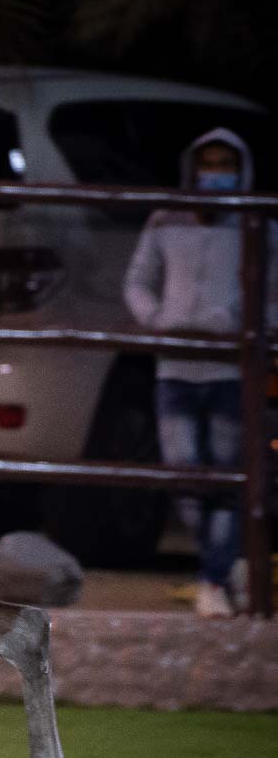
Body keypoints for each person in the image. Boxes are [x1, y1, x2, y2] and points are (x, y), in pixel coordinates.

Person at [123, 127, 278, 618]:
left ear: (242, 168)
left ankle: (213, 577)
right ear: (193, 168)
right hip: (174, 367)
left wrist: (244, 325)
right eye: (207, 163)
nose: (215, 173)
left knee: (229, 475)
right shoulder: (166, 218)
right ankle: (227, 564)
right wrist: (158, 321)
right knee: (185, 474)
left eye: (224, 164)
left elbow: (275, 293)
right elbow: (138, 281)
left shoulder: (258, 223)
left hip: (232, 371)